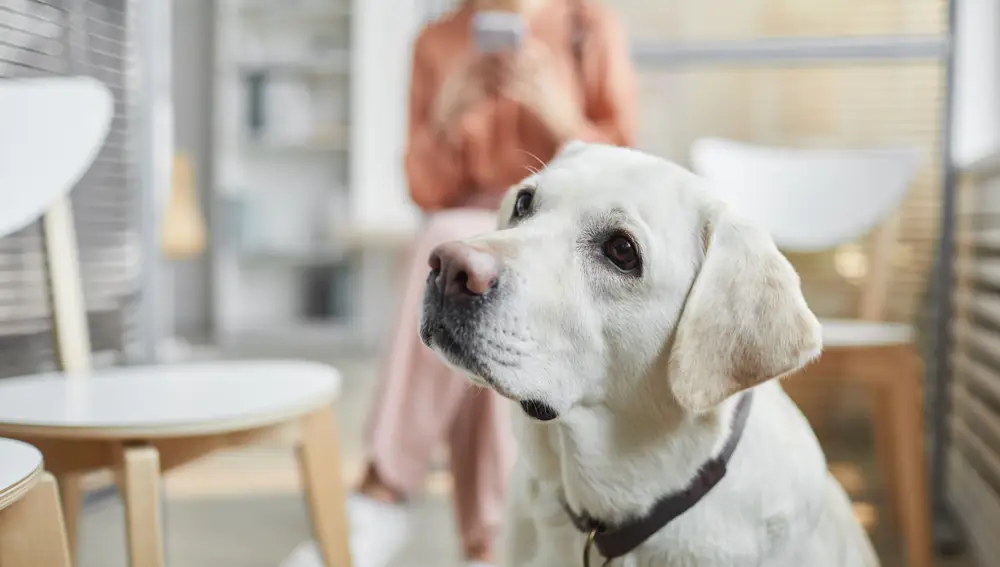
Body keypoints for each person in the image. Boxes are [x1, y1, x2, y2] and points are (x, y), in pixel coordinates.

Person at [282, 1, 635, 566]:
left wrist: (558, 113)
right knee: (466, 269)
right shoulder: (436, 41)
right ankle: (488, 545)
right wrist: (450, 110)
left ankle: (384, 491)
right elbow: (424, 189)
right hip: (467, 223)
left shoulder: (587, 27)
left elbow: (627, 180)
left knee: (464, 258)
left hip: (556, 236)